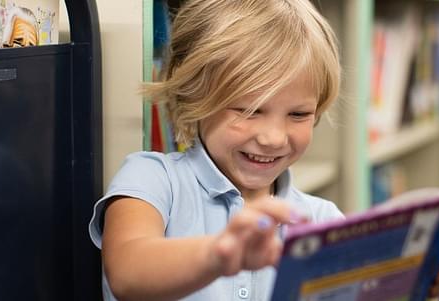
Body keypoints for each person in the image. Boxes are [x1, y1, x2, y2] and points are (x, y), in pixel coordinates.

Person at [87, 0, 344, 300]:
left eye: (298, 114)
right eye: (249, 111)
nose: (274, 138)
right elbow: (127, 274)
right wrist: (217, 254)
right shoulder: (151, 180)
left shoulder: (323, 220)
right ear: (194, 95)